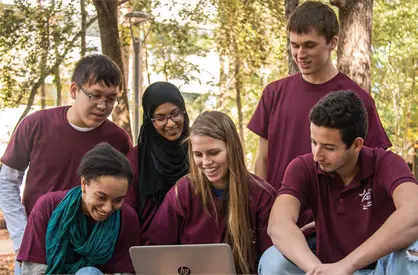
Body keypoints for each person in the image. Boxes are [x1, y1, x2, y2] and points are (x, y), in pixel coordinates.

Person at [248, 1, 391, 234]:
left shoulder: (360, 100)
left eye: (309, 45)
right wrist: (262, 212)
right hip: (280, 223)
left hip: (336, 227)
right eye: (294, 45)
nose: (300, 54)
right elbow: (262, 160)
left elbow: (374, 169)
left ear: (332, 42)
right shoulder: (273, 93)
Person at [259, 91, 418, 275]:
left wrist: (347, 265)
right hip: (325, 268)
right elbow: (279, 224)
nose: (317, 155)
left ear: (357, 145)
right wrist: (316, 269)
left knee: (413, 252)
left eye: (329, 147)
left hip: (380, 269)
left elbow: (414, 212)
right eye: (313, 142)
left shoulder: (386, 163)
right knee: (272, 260)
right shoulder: (303, 167)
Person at [0, 54, 132, 270]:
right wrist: (21, 236)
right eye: (95, 95)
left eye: (110, 98)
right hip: (37, 243)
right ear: (74, 90)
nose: (102, 105)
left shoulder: (119, 139)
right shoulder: (35, 124)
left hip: (90, 250)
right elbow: (6, 182)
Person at [143, 111, 276, 274]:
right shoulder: (182, 192)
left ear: (232, 148)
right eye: (198, 154)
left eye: (213, 153)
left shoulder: (262, 196)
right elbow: (154, 249)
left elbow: (271, 260)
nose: (205, 162)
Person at [17, 142, 140, 274]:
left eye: (118, 200)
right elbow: (33, 268)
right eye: (101, 197)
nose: (108, 208)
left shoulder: (127, 217)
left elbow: (124, 271)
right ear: (84, 183)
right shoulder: (48, 206)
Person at [124, 82, 189, 237]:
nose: (171, 123)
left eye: (175, 114)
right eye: (160, 118)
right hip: (149, 246)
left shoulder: (198, 151)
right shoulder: (136, 159)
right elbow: (127, 211)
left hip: (193, 243)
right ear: (149, 120)